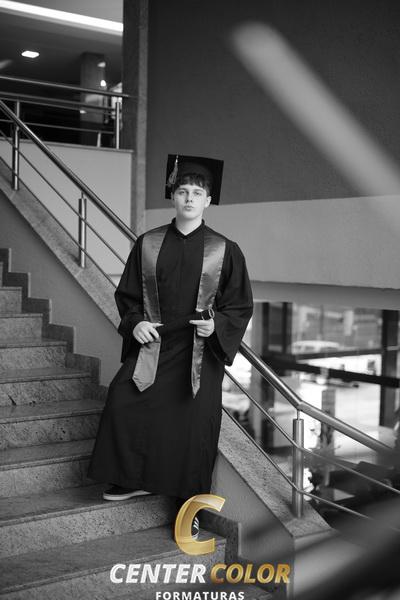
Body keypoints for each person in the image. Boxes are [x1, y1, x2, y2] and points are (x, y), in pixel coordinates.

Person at [87, 154, 253, 522]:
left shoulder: (225, 249)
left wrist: (217, 326)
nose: (189, 198)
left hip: (198, 350)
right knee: (124, 400)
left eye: (197, 193)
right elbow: (128, 296)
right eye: (183, 191)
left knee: (192, 425)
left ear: (208, 201)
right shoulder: (147, 243)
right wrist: (134, 323)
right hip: (154, 344)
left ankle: (187, 502)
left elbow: (239, 304)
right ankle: (132, 479)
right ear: (173, 197)